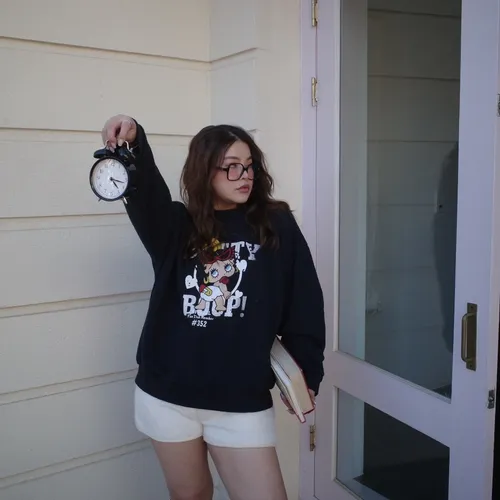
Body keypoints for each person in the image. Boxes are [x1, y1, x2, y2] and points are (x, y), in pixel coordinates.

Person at [100, 114, 326, 500]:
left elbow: (303, 301)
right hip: (168, 396)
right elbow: (147, 194)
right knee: (190, 495)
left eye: (249, 165)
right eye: (232, 166)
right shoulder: (176, 227)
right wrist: (133, 142)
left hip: (240, 399)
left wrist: (307, 372)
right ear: (205, 171)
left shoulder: (276, 225)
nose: (245, 175)